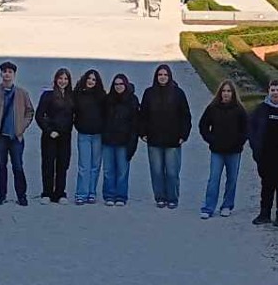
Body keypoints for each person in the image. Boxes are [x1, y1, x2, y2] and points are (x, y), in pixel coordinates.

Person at [139, 63, 192, 209]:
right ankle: (160, 197)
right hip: (154, 139)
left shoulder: (178, 93)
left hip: (173, 140)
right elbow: (142, 115)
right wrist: (142, 133)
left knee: (172, 172)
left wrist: (183, 135)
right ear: (156, 77)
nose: (162, 77)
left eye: (165, 75)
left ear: (169, 76)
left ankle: (172, 198)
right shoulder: (149, 93)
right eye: (160, 75)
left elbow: (185, 116)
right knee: (156, 172)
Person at [0, 60, 35, 206]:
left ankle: (21, 195)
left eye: (10, 72)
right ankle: (1, 194)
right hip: (0, 136)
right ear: (1, 74)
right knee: (1, 166)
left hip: (16, 136)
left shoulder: (22, 93)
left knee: (18, 166)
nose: (7, 74)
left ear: (14, 75)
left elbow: (29, 111)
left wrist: (22, 126)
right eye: (4, 72)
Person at [246, 78, 278, 226]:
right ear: (268, 91)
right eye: (273, 90)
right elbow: (251, 129)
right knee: (266, 185)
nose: (275, 93)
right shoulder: (261, 109)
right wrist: (255, 148)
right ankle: (264, 213)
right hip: (265, 155)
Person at [197, 78, 250, 219]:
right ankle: (208, 207)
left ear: (233, 93)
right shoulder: (212, 108)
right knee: (213, 179)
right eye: (224, 91)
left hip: (234, 151)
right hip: (217, 151)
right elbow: (203, 125)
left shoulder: (239, 110)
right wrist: (210, 139)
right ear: (220, 93)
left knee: (232, 179)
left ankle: (227, 205)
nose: (226, 94)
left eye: (229, 91)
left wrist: (239, 142)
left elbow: (246, 129)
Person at [99, 72, 141, 206]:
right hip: (108, 140)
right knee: (108, 170)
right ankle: (109, 195)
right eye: (116, 84)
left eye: (121, 84)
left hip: (124, 141)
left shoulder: (132, 100)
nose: (118, 86)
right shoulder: (107, 100)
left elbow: (135, 122)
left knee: (122, 171)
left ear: (126, 84)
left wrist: (133, 141)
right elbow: (102, 118)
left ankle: (121, 196)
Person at [35, 67, 75, 203]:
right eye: (60, 78)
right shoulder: (48, 95)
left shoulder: (71, 96)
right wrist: (49, 130)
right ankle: (47, 193)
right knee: (48, 164)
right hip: (50, 136)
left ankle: (60, 193)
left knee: (63, 165)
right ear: (56, 79)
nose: (63, 81)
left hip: (65, 136)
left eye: (65, 79)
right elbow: (39, 115)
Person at [71, 67, 107, 204]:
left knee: (95, 166)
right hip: (83, 134)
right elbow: (72, 111)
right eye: (89, 78)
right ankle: (81, 193)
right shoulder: (78, 94)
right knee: (83, 166)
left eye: (94, 79)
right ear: (85, 79)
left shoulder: (102, 96)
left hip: (98, 134)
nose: (91, 81)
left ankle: (92, 192)